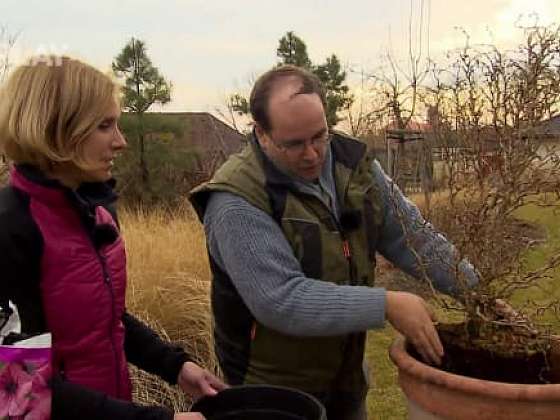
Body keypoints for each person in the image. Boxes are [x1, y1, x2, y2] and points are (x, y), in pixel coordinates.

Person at [189, 65, 479, 419]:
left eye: (319, 136)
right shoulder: (236, 200)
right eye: (294, 144)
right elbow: (280, 299)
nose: (312, 154)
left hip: (347, 379)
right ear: (261, 133)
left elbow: (412, 236)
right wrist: (385, 304)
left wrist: (474, 289)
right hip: (273, 394)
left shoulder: (354, 164)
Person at [0, 56, 226, 420]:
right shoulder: (11, 228)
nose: (120, 142)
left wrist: (175, 366)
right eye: (104, 126)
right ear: (56, 130)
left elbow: (102, 321)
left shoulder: (95, 212)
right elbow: (16, 387)